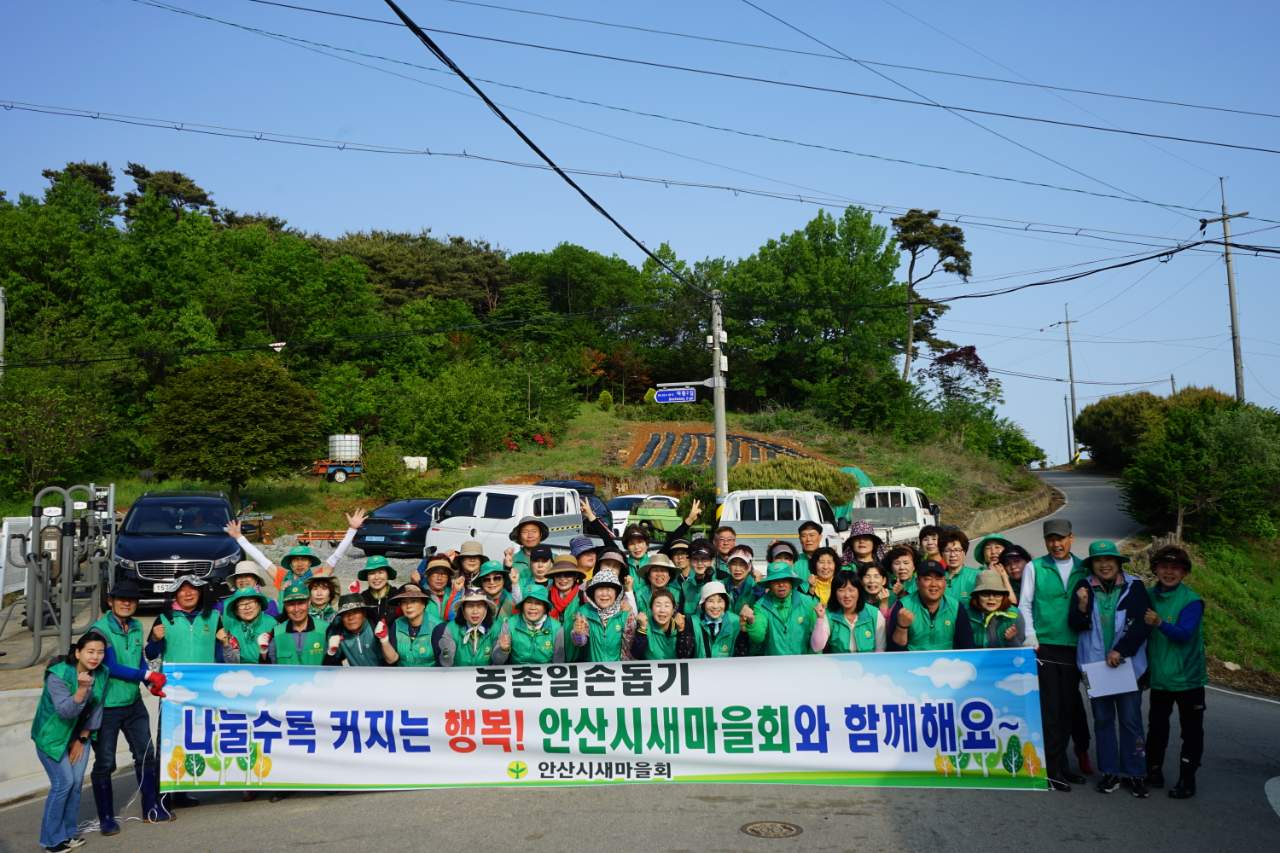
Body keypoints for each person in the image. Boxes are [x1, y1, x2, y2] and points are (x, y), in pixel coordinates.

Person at [1068, 540, 1153, 797]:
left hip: (1128, 666)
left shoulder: (1135, 586)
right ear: (1092, 565)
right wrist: (1082, 606)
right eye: (1098, 561)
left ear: (1118, 563)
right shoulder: (1084, 586)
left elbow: (1143, 624)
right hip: (1095, 667)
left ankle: (1136, 772)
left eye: (1109, 560)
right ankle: (1110, 772)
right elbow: (1074, 623)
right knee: (1103, 721)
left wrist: (1121, 650)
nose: (1104, 565)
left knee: (1131, 721)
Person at [89, 579, 171, 833]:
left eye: (132, 600)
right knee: (105, 763)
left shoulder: (136, 626)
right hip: (106, 706)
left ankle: (151, 807)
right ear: (110, 601)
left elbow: (140, 661)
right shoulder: (99, 629)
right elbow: (110, 666)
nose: (126, 603)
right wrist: (146, 677)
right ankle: (106, 818)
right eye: (121, 599)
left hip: (133, 702)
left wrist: (149, 684)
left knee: (146, 755)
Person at [1017, 518, 1090, 791]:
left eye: (1061, 539)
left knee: (1070, 709)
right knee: (1051, 710)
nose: (1056, 544)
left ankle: (1064, 765)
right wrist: (1031, 635)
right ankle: (1051, 768)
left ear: (1071, 538)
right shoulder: (1035, 567)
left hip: (1074, 646)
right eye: (1051, 539)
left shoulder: (1083, 567)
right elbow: (1025, 604)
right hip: (1044, 645)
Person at [32, 630, 108, 853]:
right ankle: (51, 840)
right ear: (78, 652)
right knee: (63, 783)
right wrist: (82, 689)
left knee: (75, 784)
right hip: (52, 737)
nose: (95, 657)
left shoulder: (102, 673)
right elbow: (65, 711)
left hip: (78, 735)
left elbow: (97, 708)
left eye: (100, 652)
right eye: (90, 651)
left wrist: (82, 739)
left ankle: (67, 833)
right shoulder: (58, 674)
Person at [1143, 545, 1207, 800]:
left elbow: (1183, 634)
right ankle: (1153, 770)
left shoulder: (1192, 601)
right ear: (1156, 569)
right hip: (1160, 678)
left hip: (1188, 679)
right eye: (1164, 567)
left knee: (1191, 732)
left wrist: (1159, 623)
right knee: (1156, 727)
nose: (1169, 572)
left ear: (1184, 572)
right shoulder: (1148, 595)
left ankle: (1187, 779)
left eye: (1176, 568)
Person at [225, 510, 365, 594]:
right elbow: (261, 559)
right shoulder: (281, 576)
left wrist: (352, 530)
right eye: (296, 560)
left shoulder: (318, 577)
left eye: (304, 559)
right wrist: (240, 538)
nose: (300, 563)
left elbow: (336, 556)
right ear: (290, 563)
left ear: (310, 562)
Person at [886, 560, 975, 652]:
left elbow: (966, 646)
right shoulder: (903, 606)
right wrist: (901, 627)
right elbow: (894, 651)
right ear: (917, 582)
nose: (933, 584)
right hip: (913, 663)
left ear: (945, 582)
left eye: (938, 579)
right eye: (927, 579)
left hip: (947, 662)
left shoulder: (956, 607)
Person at [742, 561, 821, 657]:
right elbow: (758, 637)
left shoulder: (807, 602)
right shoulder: (761, 605)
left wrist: (812, 662)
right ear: (769, 584)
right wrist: (751, 622)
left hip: (803, 663)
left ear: (791, 582)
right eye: (776, 581)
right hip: (773, 665)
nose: (781, 585)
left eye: (785, 580)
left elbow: (817, 637)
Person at [146, 574, 221, 665]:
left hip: (206, 677)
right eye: (181, 590)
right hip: (174, 677)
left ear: (199, 592)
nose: (188, 593)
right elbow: (150, 655)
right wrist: (155, 639)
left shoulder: (214, 617)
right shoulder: (164, 618)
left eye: (193, 588)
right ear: (175, 594)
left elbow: (221, 655)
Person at [568, 569, 636, 662]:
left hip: (617, 671)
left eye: (609, 589)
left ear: (616, 593)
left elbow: (628, 648)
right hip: (590, 670)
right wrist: (578, 633)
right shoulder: (584, 612)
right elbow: (580, 643)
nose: (604, 594)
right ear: (593, 593)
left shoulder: (625, 613)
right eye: (600, 589)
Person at [815, 570, 885, 653]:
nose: (847, 595)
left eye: (851, 590)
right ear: (834, 593)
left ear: (859, 592)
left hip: (867, 664)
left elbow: (880, 649)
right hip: (838, 664)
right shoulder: (829, 614)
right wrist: (820, 619)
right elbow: (817, 647)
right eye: (841, 590)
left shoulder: (874, 614)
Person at [494, 585, 565, 664]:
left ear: (545, 608)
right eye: (528, 602)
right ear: (522, 606)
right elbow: (497, 661)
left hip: (546, 674)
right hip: (516, 674)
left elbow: (559, 662)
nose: (532, 607)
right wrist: (503, 650)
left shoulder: (557, 628)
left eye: (538, 603)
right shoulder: (509, 624)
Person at [269, 583, 330, 666]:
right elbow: (270, 668)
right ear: (285, 606)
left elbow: (334, 667)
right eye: (291, 604)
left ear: (309, 603)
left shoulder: (326, 629)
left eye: (301, 603)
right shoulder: (276, 632)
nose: (296, 609)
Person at [379, 585, 440, 667]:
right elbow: (392, 659)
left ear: (424, 604)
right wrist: (384, 640)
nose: (408, 606)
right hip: (403, 676)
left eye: (414, 601)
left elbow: (444, 662)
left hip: (430, 676)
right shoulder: (397, 624)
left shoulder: (438, 627)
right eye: (404, 602)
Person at [681, 581, 745, 658]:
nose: (715, 606)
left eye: (720, 601)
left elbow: (741, 654)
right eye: (710, 601)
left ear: (726, 603)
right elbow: (684, 654)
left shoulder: (736, 621)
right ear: (703, 604)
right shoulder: (692, 622)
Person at [437, 589, 498, 667]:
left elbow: (499, 662)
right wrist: (446, 653)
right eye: (470, 606)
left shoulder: (495, 627)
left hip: (484, 677)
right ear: (463, 609)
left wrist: (503, 650)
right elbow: (446, 664)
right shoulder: (451, 628)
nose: (475, 611)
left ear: (486, 609)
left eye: (479, 606)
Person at [216, 587, 277, 664]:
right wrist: (226, 644)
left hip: (268, 671)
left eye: (251, 602)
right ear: (236, 611)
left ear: (259, 605)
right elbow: (232, 662)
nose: (247, 607)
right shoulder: (232, 628)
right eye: (241, 605)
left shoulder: (272, 623)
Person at [323, 594, 387, 667]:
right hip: (356, 677)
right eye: (345, 613)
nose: (350, 617)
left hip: (384, 676)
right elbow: (327, 670)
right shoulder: (338, 633)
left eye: (355, 612)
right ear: (341, 618)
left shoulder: (377, 626)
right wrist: (331, 652)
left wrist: (384, 640)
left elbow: (392, 660)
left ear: (364, 613)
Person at [967, 570, 1026, 649]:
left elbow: (1020, 652)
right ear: (977, 596)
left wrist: (1012, 640)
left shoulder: (1015, 614)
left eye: (997, 594)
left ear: (1004, 597)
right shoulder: (966, 614)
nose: (991, 598)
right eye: (985, 594)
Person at [631, 588, 691, 660]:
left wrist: (681, 630)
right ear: (651, 609)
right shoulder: (645, 624)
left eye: (667, 606)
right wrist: (642, 628)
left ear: (673, 610)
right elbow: (636, 654)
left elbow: (685, 655)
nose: (662, 610)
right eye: (658, 605)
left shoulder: (680, 624)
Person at [357, 555, 402, 627]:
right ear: (367, 577)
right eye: (372, 573)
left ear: (387, 575)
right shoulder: (361, 598)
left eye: (381, 572)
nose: (376, 577)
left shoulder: (397, 596)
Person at [939, 529, 979, 603]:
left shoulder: (977, 575)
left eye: (957, 550)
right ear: (942, 554)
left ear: (964, 552)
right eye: (947, 551)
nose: (952, 555)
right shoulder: (937, 578)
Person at [508, 515, 550, 581]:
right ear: (519, 536)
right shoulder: (512, 560)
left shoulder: (553, 558)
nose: (530, 535)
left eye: (534, 531)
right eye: (525, 532)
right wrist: (507, 567)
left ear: (540, 535)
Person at [546, 557, 586, 624]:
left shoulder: (584, 598)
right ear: (554, 577)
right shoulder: (545, 596)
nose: (563, 578)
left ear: (575, 577)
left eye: (568, 574)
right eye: (558, 575)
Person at [722, 547, 759, 614]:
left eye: (742, 564)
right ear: (728, 565)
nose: (737, 568)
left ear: (750, 566)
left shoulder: (757, 589)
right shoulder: (720, 586)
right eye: (734, 563)